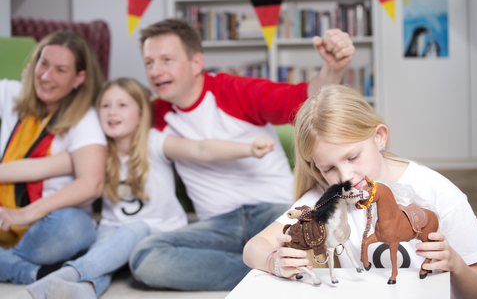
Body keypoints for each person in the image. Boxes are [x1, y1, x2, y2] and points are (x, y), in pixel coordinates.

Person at [128, 18, 356, 290]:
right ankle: (267, 267)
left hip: (272, 212)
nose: (155, 71)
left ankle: (273, 262)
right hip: (218, 225)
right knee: (144, 257)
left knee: (321, 238)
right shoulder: (155, 114)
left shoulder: (233, 91)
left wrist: (332, 69)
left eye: (166, 59)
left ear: (196, 62)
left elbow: (305, 101)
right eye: (149, 62)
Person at [20, 77, 276, 299]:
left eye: (122, 105)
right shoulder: (97, 151)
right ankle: (84, 289)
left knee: (135, 229)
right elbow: (41, 167)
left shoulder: (154, 142)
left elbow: (200, 148)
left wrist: (248, 149)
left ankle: (71, 271)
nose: (112, 112)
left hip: (159, 229)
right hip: (113, 230)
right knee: (104, 254)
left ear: (141, 112)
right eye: (105, 106)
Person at [242, 84, 477, 299]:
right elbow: (253, 247)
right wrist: (274, 261)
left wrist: (457, 265)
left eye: (353, 157)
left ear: (379, 137)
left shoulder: (438, 192)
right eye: (329, 168)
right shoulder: (326, 197)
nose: (345, 177)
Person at [0, 31, 107, 285]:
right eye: (43, 64)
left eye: (60, 70)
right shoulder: (11, 94)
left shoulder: (84, 118)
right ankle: (32, 271)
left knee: (74, 226)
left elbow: (91, 184)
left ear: (79, 78)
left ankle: (9, 262)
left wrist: (24, 214)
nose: (46, 76)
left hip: (44, 227)